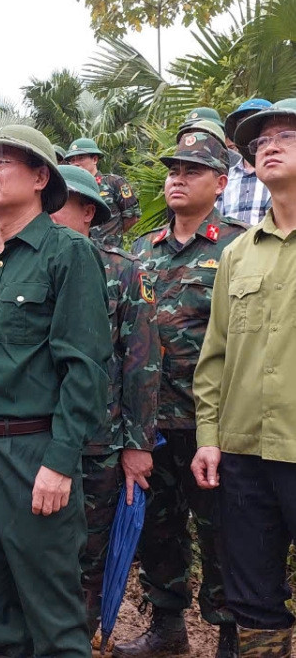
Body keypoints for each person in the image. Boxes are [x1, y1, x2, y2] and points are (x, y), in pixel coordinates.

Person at [0, 125, 112, 658]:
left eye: (2, 163)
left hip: (31, 450)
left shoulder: (67, 253)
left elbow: (85, 369)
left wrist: (60, 461)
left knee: (53, 614)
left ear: (42, 177)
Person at [116, 131, 247, 658]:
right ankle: (167, 626)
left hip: (212, 424)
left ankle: (231, 633)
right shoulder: (141, 251)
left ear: (220, 183)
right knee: (159, 531)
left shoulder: (238, 247)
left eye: (192, 170)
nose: (177, 177)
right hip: (151, 425)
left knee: (223, 535)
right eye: (174, 169)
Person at [193, 98, 296, 657]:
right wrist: (210, 437)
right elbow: (216, 357)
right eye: (260, 141)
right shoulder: (238, 255)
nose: (270, 144)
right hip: (244, 452)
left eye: (286, 135)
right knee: (253, 596)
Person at [51, 164, 161, 643]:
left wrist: (137, 445)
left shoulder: (122, 270)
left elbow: (141, 364)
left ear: (88, 212)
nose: (48, 215)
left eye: (60, 205)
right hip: (38, 434)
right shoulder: (33, 264)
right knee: (39, 545)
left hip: (99, 439)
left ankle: (82, 636)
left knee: (89, 549)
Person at [65, 137, 140, 247]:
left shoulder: (114, 182)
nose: (76, 164)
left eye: (81, 158)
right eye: (72, 160)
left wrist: (112, 235)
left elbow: (132, 217)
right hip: (80, 253)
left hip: (110, 256)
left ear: (95, 159)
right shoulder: (70, 190)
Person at [217, 99, 274, 225]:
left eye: (257, 123)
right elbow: (217, 220)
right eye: (243, 124)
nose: (250, 130)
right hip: (230, 243)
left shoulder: (280, 174)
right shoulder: (226, 178)